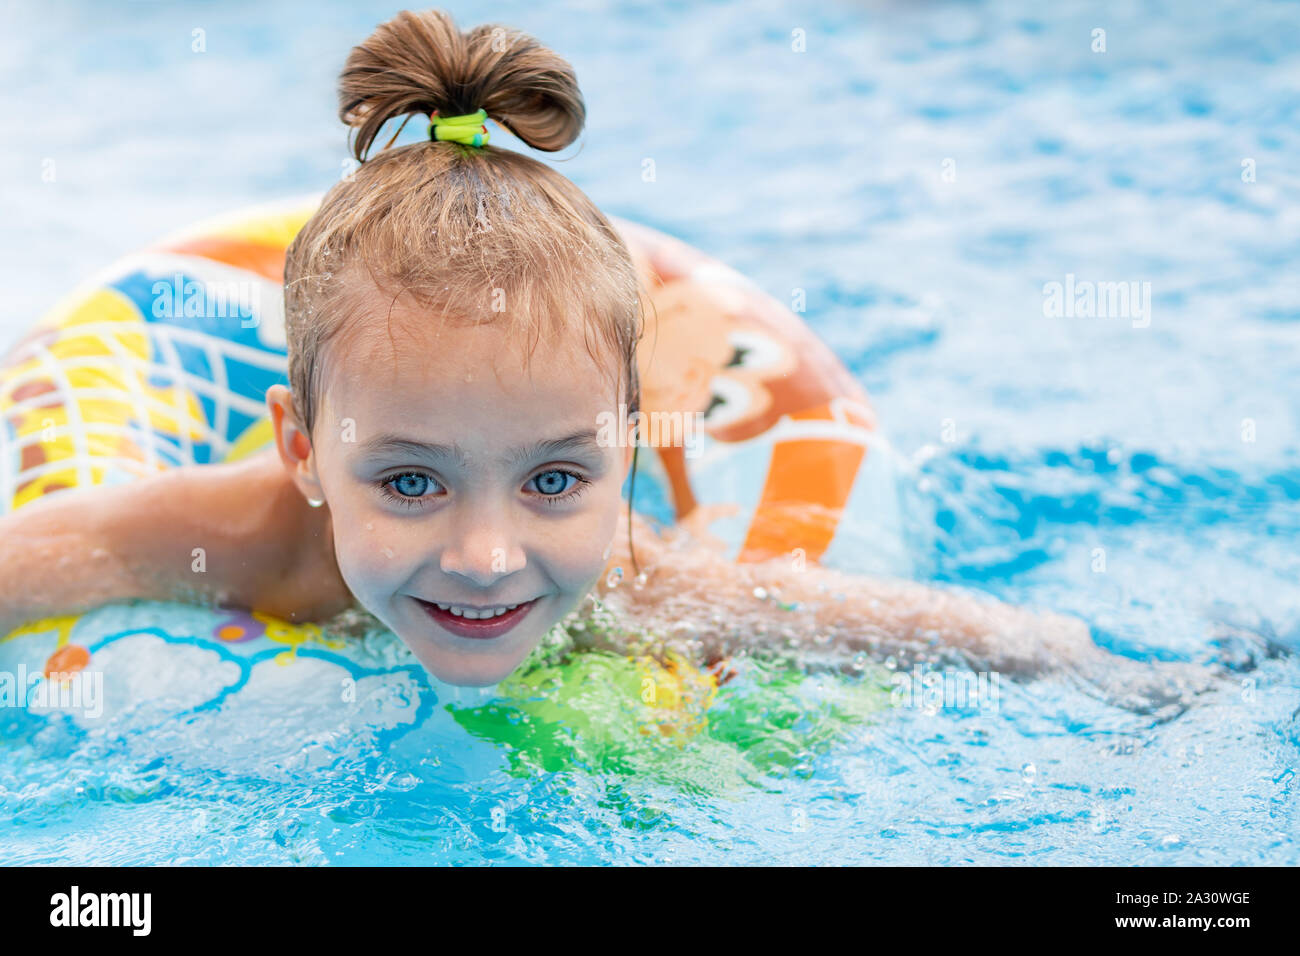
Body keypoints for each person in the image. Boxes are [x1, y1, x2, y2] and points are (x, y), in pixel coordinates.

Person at [0, 9, 1126, 692]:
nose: (488, 554)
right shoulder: (220, 536)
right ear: (302, 450)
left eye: (552, 476)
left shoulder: (633, 581)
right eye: (407, 478)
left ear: (628, 447)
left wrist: (1107, 669)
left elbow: (893, 622)